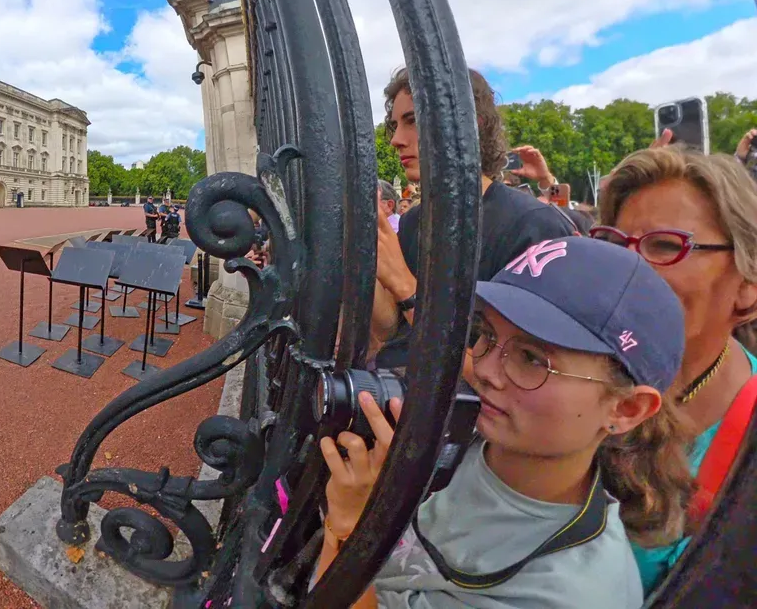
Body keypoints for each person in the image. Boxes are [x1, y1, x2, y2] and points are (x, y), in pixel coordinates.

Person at [317, 237, 690, 608]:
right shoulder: (467, 435)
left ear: (626, 409)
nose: (486, 371)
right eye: (488, 336)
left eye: (531, 359)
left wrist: (353, 531)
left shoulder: (570, 592)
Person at [597, 147, 757, 593]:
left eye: (666, 245)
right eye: (615, 243)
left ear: (747, 283)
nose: (628, 267)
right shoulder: (575, 375)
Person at [370, 67, 576, 369]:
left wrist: (404, 285)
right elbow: (390, 330)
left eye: (412, 121)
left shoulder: (533, 226)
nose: (396, 140)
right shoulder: (414, 222)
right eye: (394, 125)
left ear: (468, 126)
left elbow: (520, 377)